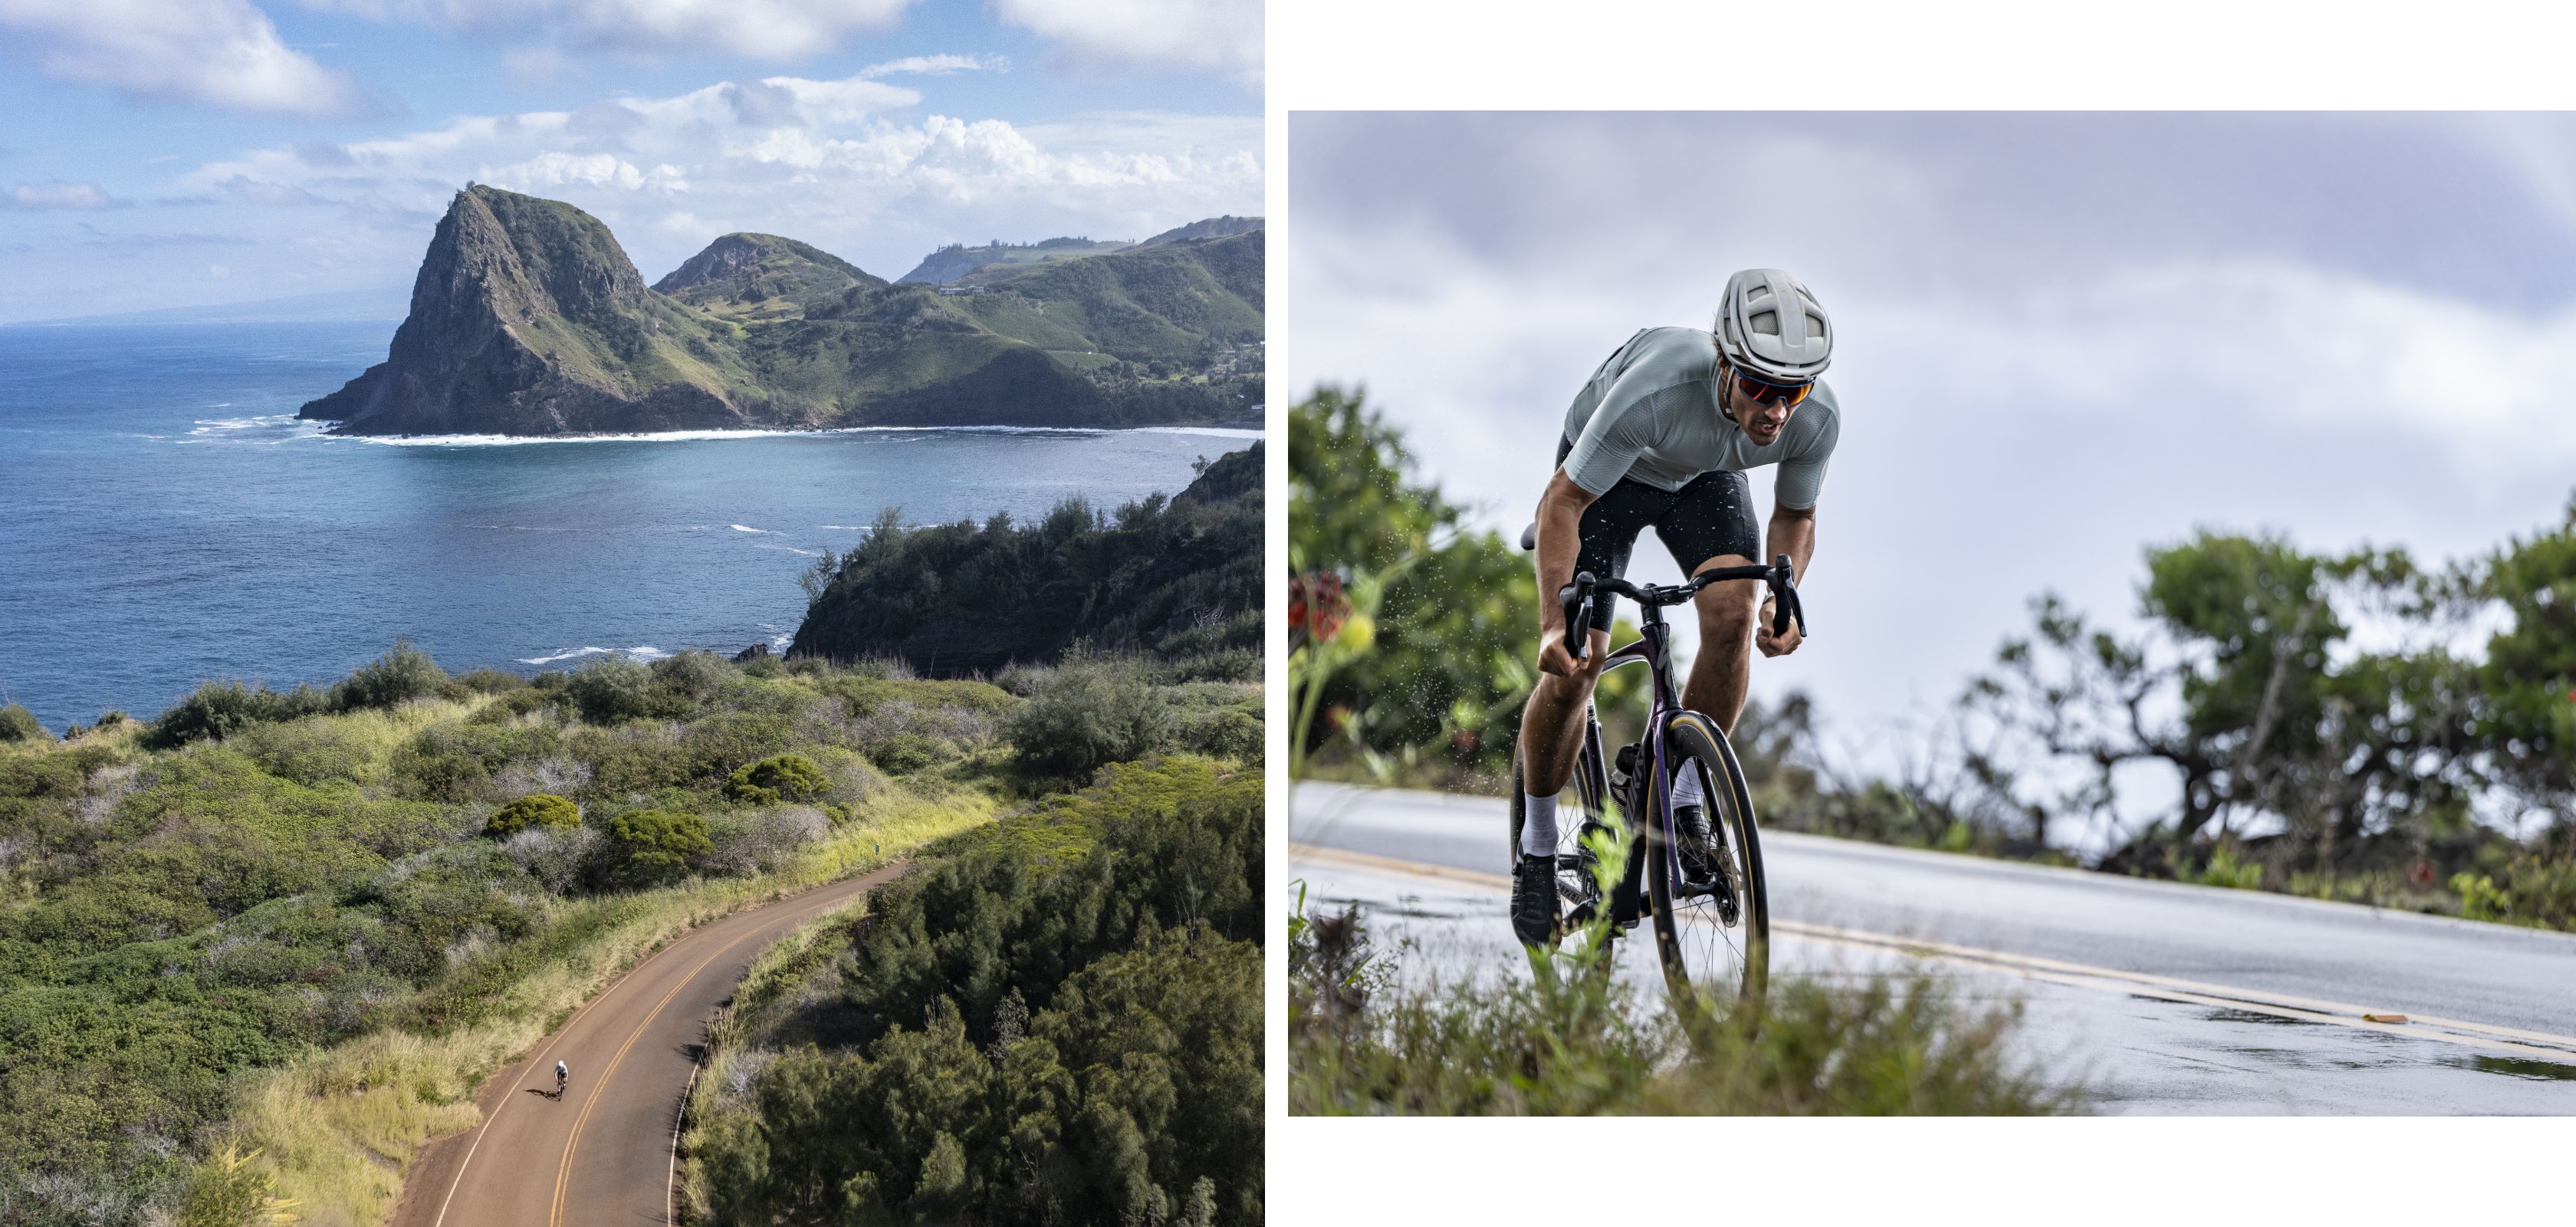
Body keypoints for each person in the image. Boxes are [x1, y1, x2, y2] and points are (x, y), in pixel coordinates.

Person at [1512, 268, 1839, 946]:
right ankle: (1538, 849)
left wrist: (1786, 593)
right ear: (1725, 363)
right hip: (1609, 477)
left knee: (1732, 620)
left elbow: (1796, 516)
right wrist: (1552, 624)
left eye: (1793, 392)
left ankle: (1679, 791)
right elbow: (1563, 503)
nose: (1777, 410)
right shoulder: (1657, 389)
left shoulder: (1815, 417)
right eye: (1759, 388)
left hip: (1702, 479)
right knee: (1578, 666)